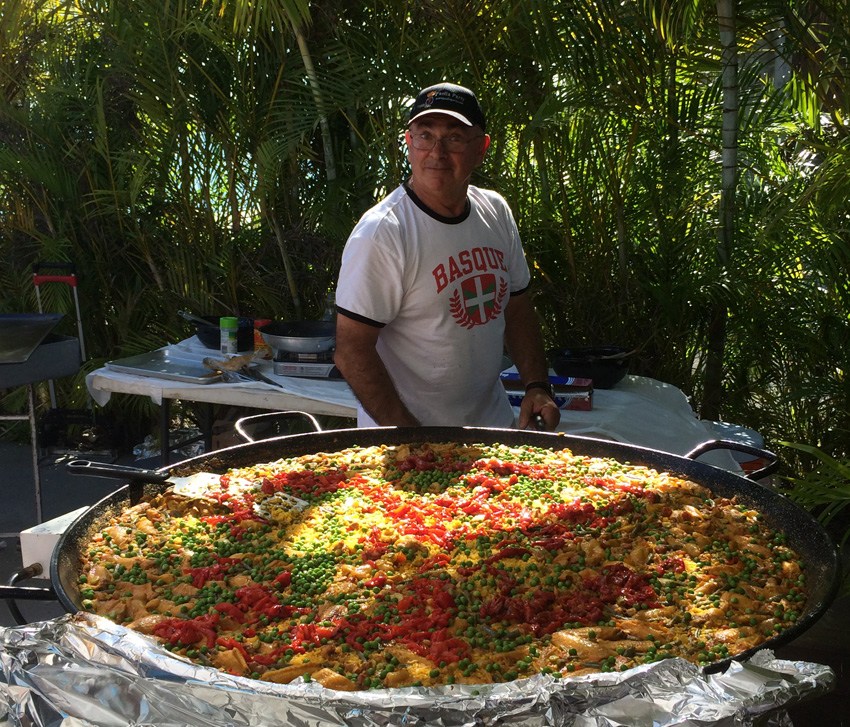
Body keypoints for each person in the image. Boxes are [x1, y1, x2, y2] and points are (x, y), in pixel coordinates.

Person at [334, 82, 560, 431]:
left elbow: (517, 309)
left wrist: (537, 386)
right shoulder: (382, 234)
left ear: (481, 148)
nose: (436, 152)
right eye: (425, 136)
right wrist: (413, 441)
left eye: (454, 138)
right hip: (408, 442)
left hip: (493, 428)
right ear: (408, 144)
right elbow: (352, 352)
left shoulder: (495, 212)